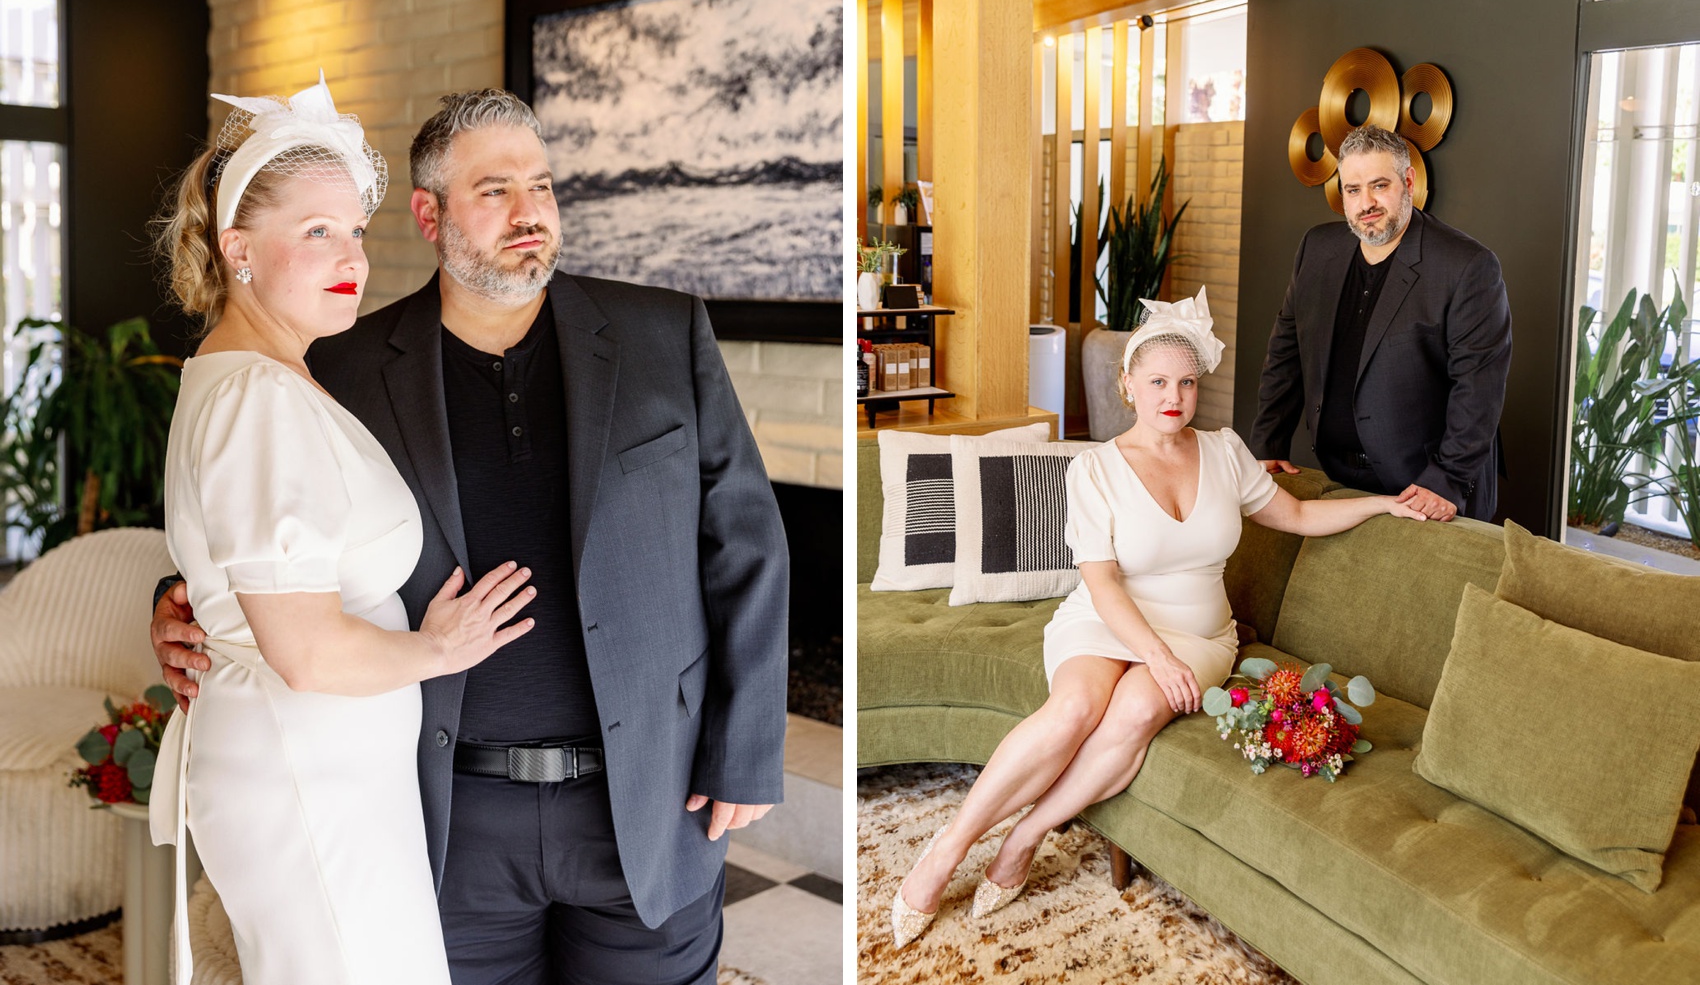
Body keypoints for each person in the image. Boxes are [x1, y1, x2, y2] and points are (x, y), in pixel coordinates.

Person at [152, 88, 789, 985]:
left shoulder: (663, 332)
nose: (529, 212)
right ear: (429, 214)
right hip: (444, 816)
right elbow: (247, 519)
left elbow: (748, 543)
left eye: (541, 185)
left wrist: (749, 747)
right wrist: (179, 604)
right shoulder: (333, 360)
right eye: (495, 190)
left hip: (649, 795)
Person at [889, 289, 1425, 948]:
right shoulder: (1095, 470)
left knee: (1137, 712)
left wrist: (1383, 504)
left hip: (1199, 634)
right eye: (1159, 381)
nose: (1174, 395)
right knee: (1074, 708)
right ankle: (949, 848)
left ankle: (1023, 836)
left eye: (1187, 382)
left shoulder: (1226, 452)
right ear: (1129, 385)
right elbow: (1103, 583)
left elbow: (1299, 516)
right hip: (1105, 619)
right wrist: (1155, 655)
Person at [148, 75, 536, 985]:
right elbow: (307, 652)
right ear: (239, 248)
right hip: (306, 778)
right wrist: (442, 648)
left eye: (354, 231)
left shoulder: (270, 375)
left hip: (331, 773)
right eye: (316, 231)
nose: (351, 255)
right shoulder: (254, 394)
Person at [1249, 124, 1512, 522]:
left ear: (1408, 181)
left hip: (1426, 485)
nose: (1365, 202)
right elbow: (1286, 352)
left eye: (1379, 185)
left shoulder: (1467, 266)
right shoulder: (1317, 249)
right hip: (1340, 475)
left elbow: (1478, 390)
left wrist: (1445, 480)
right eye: (1352, 190)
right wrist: (1268, 441)